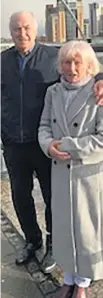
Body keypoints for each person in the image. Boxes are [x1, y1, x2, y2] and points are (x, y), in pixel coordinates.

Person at [1, 11, 103, 274]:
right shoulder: (2, 61)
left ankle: (52, 246)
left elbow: (82, 65)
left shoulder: (51, 56)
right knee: (21, 196)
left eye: (26, 28)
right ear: (10, 32)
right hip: (14, 143)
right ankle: (32, 241)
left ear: (35, 30)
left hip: (47, 145)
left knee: (52, 199)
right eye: (16, 29)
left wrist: (102, 79)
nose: (21, 34)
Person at [38, 40, 103, 298]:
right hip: (60, 172)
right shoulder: (52, 92)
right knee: (64, 228)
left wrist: (64, 145)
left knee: (86, 229)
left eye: (78, 62)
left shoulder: (98, 92)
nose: (72, 68)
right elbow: (43, 126)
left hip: (88, 174)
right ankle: (68, 276)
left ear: (89, 65)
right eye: (66, 62)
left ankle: (83, 282)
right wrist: (47, 146)